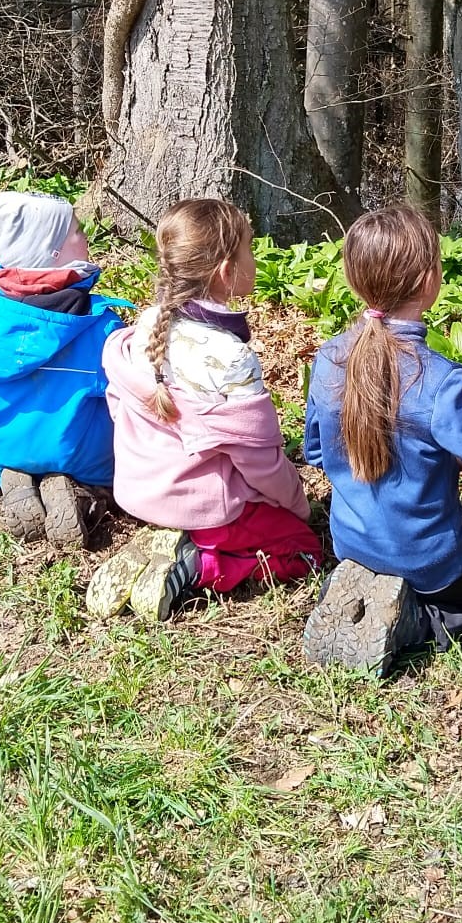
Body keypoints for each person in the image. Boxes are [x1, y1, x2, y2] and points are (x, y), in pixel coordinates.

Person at [301, 204, 462, 675]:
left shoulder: (329, 359)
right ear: (428, 281)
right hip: (428, 560)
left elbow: (316, 452)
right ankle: (415, 622)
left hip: (352, 543)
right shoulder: (444, 383)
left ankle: (362, 594)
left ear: (353, 279)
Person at [89, 198, 318, 623]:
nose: (255, 258)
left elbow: (120, 408)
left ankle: (164, 540)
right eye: (249, 248)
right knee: (304, 550)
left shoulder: (147, 324)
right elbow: (261, 463)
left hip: (141, 491)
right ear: (226, 272)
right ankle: (199, 564)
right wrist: (298, 503)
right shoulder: (231, 357)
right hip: (205, 506)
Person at [0, 191, 129, 545]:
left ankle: (19, 475)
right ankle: (84, 493)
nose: (85, 235)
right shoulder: (96, 322)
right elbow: (125, 389)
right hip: (77, 452)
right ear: (53, 252)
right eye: (76, 231)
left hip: (3, 444)